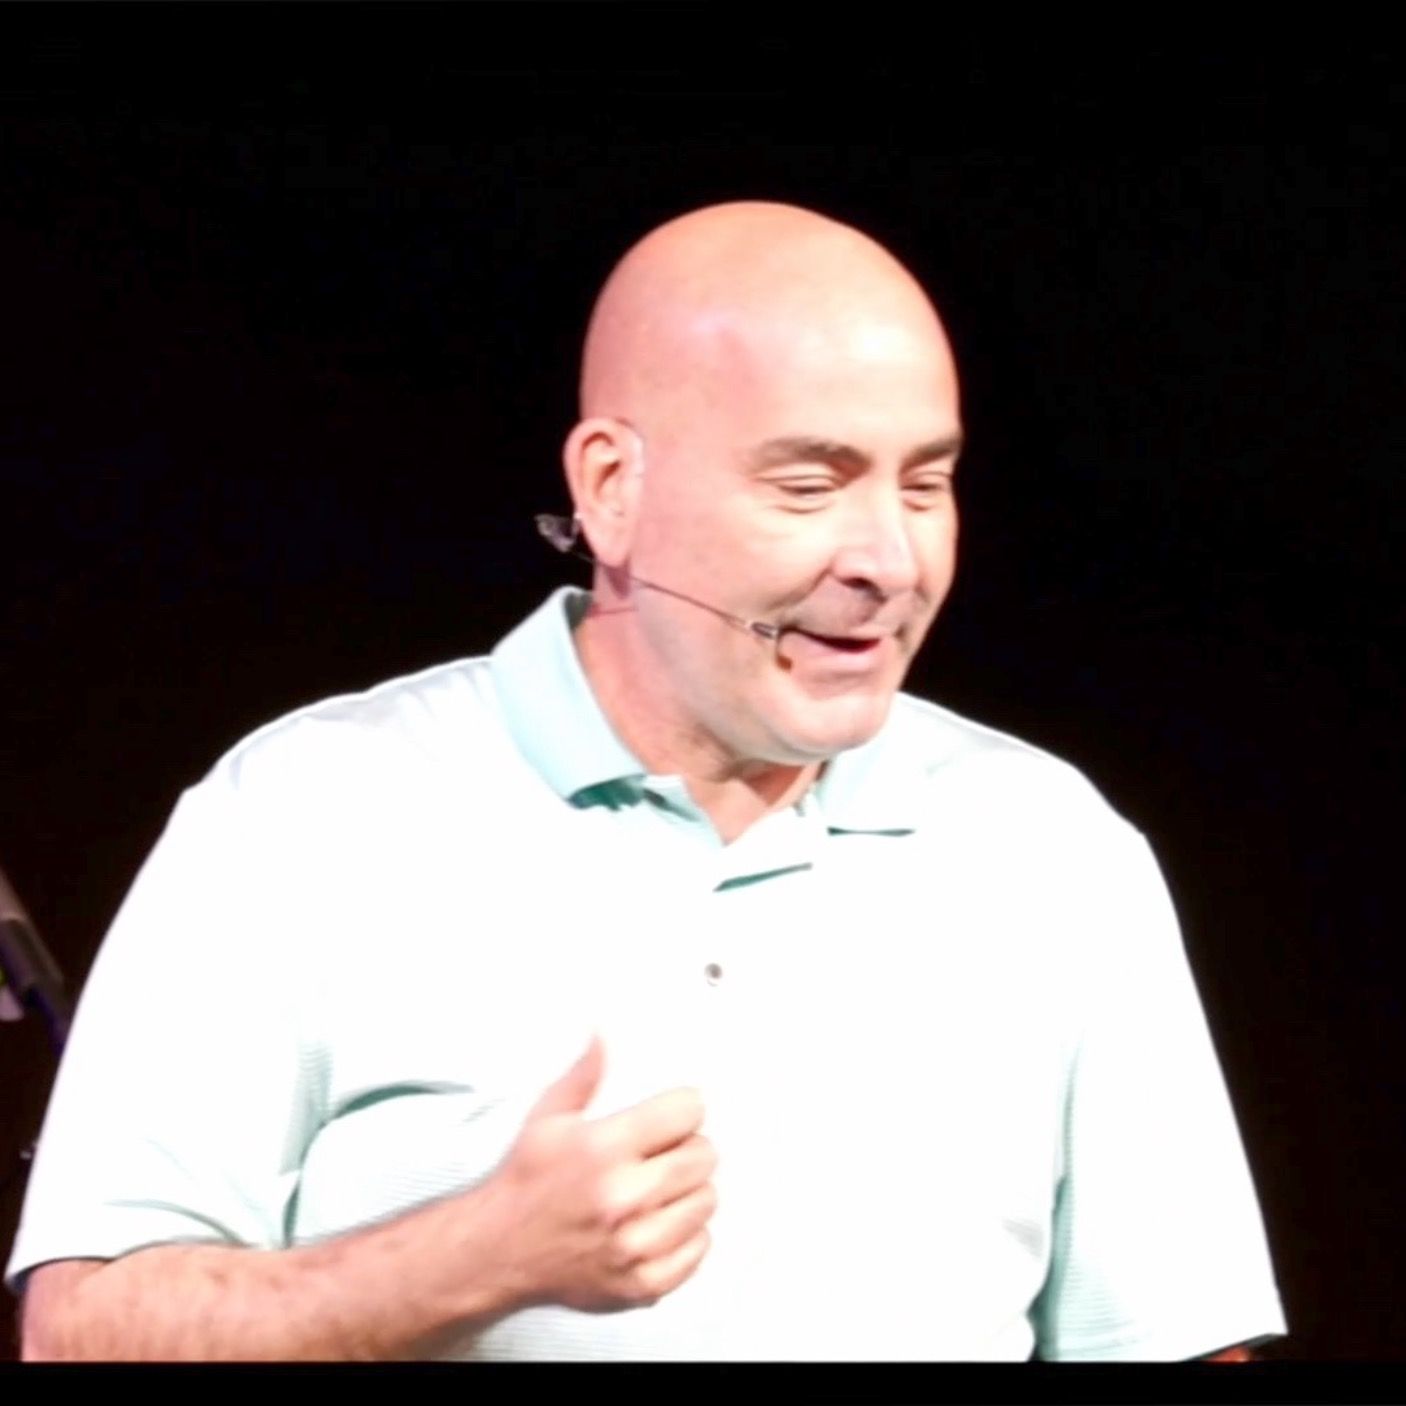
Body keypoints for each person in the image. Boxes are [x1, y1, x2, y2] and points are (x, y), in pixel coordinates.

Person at [8, 201, 1285, 1360]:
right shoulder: (304, 815)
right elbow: (80, 1333)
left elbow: (1175, 1342)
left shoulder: (1052, 849)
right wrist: (467, 1257)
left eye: (926, 484)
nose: (890, 561)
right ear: (611, 489)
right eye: (809, 484)